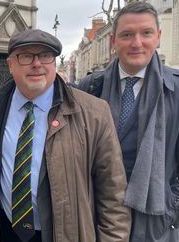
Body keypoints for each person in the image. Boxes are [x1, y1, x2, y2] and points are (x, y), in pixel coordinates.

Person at [0, 28, 131, 242]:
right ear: (10, 64)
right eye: (26, 56)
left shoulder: (93, 112)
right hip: (5, 232)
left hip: (63, 234)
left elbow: (113, 194)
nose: (37, 63)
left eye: (46, 55)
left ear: (54, 63)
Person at [78, 2, 179, 241]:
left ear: (158, 36)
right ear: (113, 41)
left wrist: (172, 205)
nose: (136, 43)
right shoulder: (91, 87)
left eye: (146, 33)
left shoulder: (176, 89)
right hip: (99, 216)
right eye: (127, 35)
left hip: (156, 220)